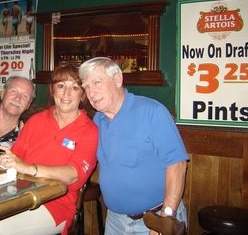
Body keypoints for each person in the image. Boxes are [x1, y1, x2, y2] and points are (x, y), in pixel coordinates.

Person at [0, 63, 98, 234]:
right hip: (17, 196)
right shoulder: (36, 121)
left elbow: (73, 175)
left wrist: (30, 168)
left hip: (55, 204)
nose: (66, 94)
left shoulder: (89, 130)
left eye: (74, 87)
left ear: (82, 94)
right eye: (61, 86)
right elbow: (12, 162)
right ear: (53, 91)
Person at [79, 57, 189, 235]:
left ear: (117, 79)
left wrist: (165, 220)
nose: (91, 92)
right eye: (86, 87)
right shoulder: (98, 120)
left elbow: (177, 164)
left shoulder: (151, 111)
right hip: (115, 220)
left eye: (97, 83)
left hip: (155, 219)